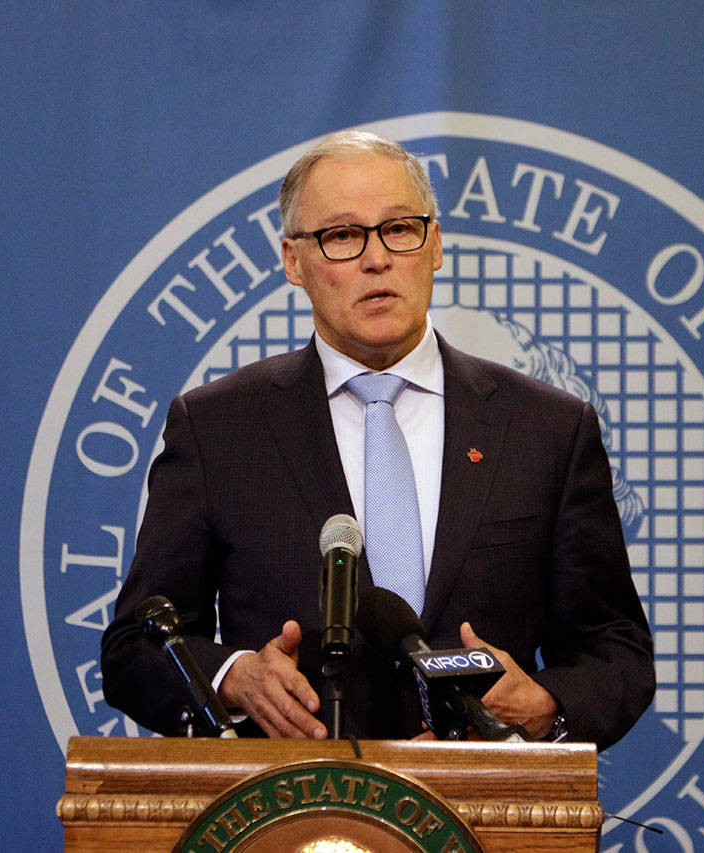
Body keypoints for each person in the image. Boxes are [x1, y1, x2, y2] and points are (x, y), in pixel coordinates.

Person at [100, 131, 654, 748]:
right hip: (296, 813)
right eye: (341, 236)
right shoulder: (218, 428)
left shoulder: (547, 428)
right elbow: (135, 648)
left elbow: (616, 652)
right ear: (292, 261)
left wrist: (546, 703)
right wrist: (233, 678)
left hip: (487, 815)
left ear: (435, 244)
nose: (377, 259)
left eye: (399, 229)